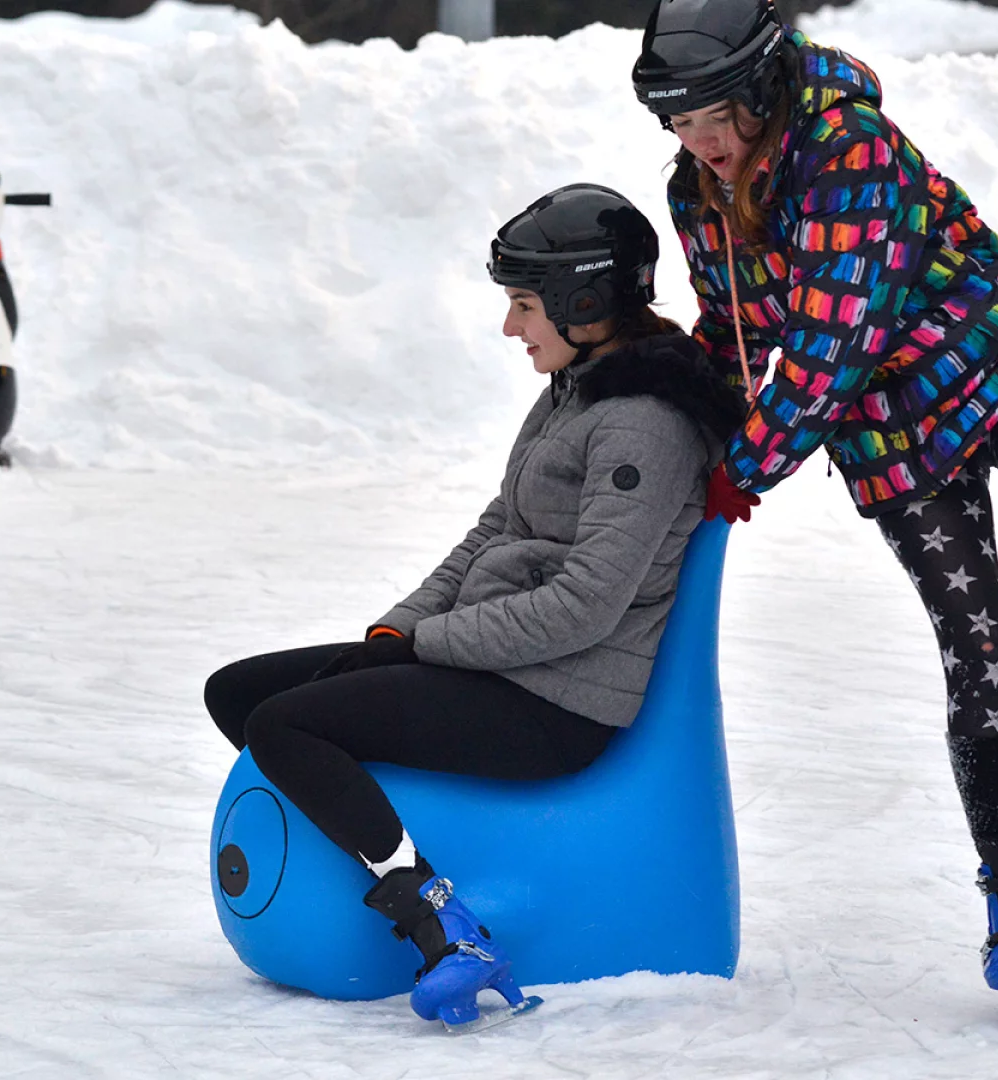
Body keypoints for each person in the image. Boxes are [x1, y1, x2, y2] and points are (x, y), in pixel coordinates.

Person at [630, 0, 998, 1015]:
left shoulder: (847, 148)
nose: (702, 144)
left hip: (996, 352)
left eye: (715, 117)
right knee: (977, 647)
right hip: (888, 432)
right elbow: (735, 334)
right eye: (680, 125)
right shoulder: (698, 194)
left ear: (762, 88)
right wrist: (686, 421)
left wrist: (750, 467)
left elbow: (833, 341)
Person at [202, 184, 744, 1028]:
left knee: (286, 726)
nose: (509, 327)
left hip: (554, 700)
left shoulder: (643, 424)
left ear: (583, 301)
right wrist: (399, 627)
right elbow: (498, 527)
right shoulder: (579, 388)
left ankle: (441, 926)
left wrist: (428, 646)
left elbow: (584, 607)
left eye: (524, 305)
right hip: (496, 663)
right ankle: (386, 844)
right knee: (239, 692)